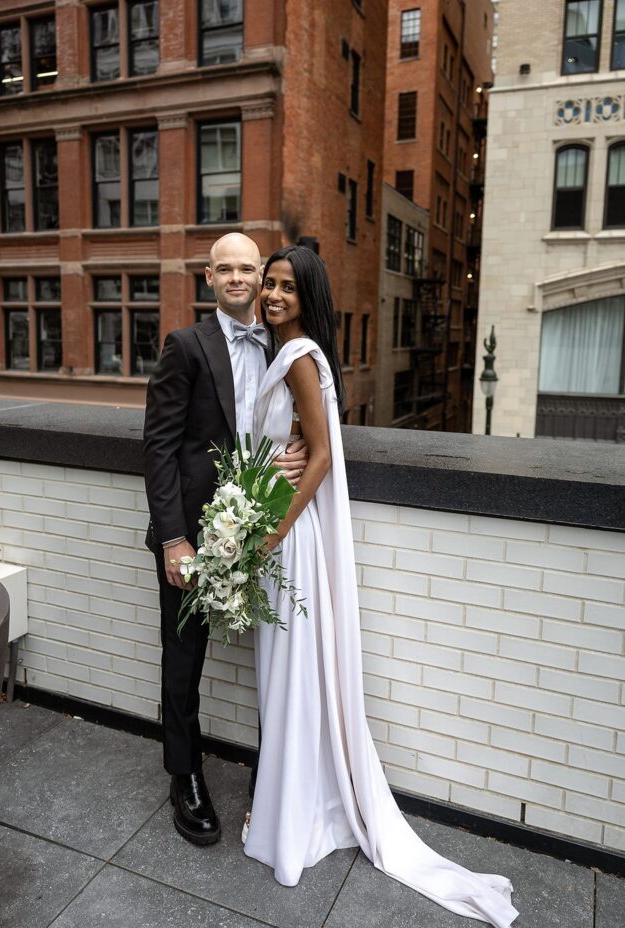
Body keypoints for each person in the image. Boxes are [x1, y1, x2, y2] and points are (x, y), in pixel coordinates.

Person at [243, 245, 519, 928]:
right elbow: (295, 443)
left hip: (290, 535)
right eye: (268, 284)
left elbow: (324, 457)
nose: (272, 294)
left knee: (291, 670)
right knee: (285, 671)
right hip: (274, 524)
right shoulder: (284, 353)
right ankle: (292, 804)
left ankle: (296, 816)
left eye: (285, 286)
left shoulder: (301, 356)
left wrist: (275, 530)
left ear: (305, 298)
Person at [143, 233, 306, 847]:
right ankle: (184, 777)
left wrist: (299, 450)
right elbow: (158, 447)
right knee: (184, 658)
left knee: (276, 652)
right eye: (226, 269)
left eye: (248, 268)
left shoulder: (285, 343)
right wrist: (174, 540)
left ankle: (276, 775)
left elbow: (302, 415)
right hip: (193, 532)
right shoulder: (184, 346)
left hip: (263, 523)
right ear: (208, 278)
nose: (238, 278)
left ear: (261, 275)